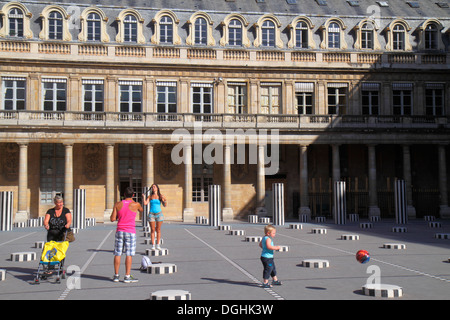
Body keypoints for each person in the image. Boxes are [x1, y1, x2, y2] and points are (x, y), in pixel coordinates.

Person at [110, 187, 143, 283]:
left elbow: (112, 219)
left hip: (120, 230)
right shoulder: (135, 204)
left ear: (124, 194)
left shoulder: (117, 204)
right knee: (129, 254)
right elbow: (141, 210)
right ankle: (127, 276)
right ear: (133, 195)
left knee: (117, 253)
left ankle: (116, 275)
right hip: (130, 231)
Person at [142, 184, 167, 250]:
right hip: (151, 214)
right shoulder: (150, 196)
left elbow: (165, 205)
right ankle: (153, 245)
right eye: (152, 187)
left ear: (157, 188)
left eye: (154, 187)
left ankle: (158, 245)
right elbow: (145, 203)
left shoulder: (160, 196)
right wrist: (143, 197)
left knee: (158, 230)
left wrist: (165, 200)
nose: (153, 188)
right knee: (152, 230)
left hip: (159, 214)